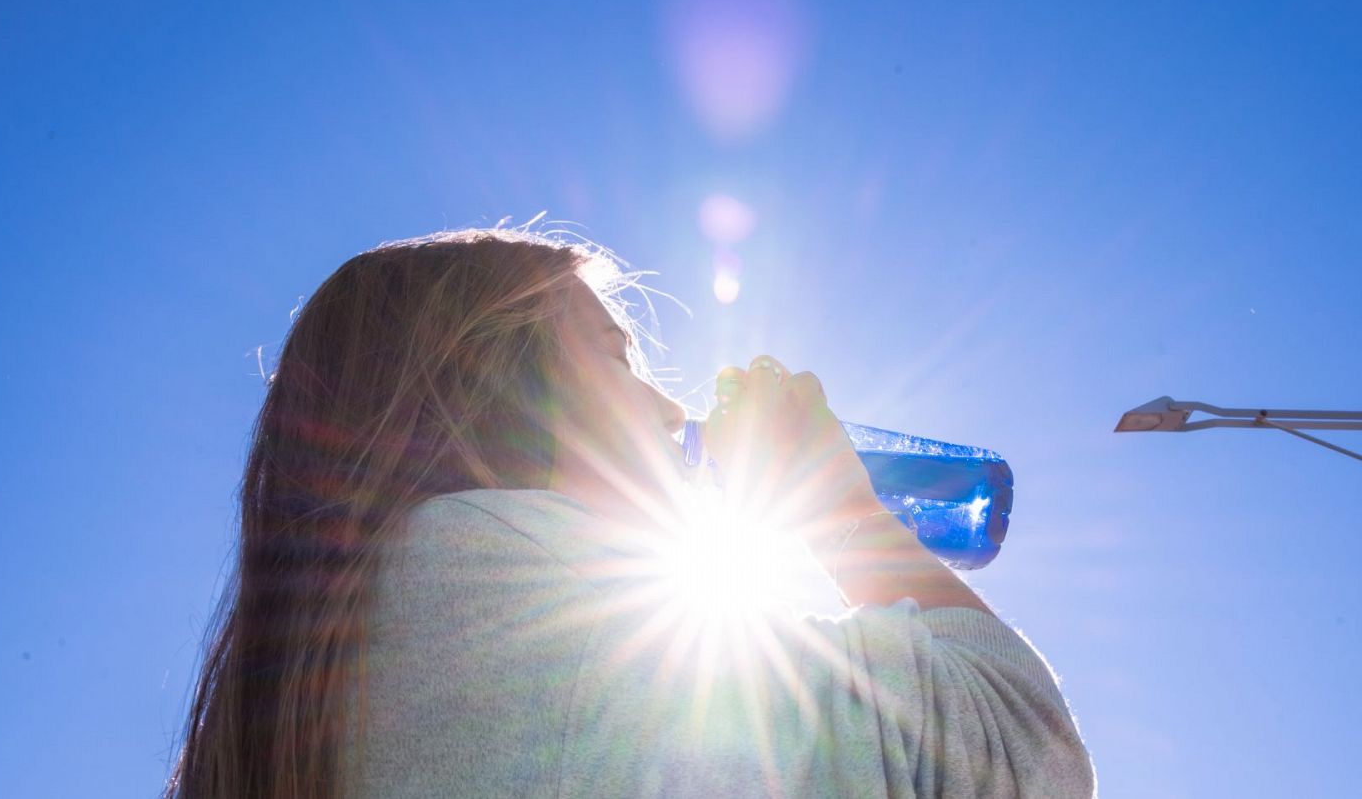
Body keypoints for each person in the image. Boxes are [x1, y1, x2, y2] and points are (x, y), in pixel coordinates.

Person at [165, 226, 1096, 798]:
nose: (665, 406)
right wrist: (836, 508)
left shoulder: (357, 654)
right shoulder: (498, 574)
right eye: (617, 356)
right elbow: (1016, 762)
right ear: (494, 379)